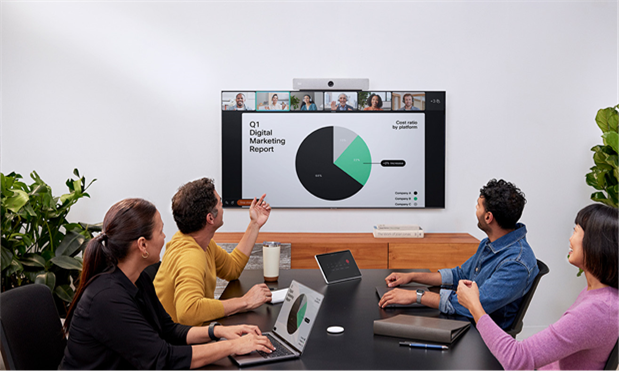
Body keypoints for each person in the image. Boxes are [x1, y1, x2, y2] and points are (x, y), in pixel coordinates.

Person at [60, 198, 274, 370]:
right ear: (142, 245)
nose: (165, 238)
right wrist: (232, 346)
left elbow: (168, 329)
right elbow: (162, 358)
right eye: (160, 231)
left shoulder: (138, 278)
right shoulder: (106, 298)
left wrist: (217, 332)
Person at [458, 204, 619, 371]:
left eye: (576, 231)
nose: (570, 239)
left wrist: (474, 306)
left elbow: (517, 360)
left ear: (595, 243)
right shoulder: (602, 296)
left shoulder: (596, 310)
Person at [379, 179, 539, 330]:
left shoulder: (516, 264)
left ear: (488, 217)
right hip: (465, 320)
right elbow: (459, 275)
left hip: (481, 336)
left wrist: (416, 295)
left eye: (478, 206)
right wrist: (412, 277)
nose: (475, 209)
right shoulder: (490, 243)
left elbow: (471, 305)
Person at [155, 178, 273, 326]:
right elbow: (188, 311)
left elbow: (233, 268)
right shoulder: (190, 255)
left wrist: (255, 224)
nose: (222, 206)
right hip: (178, 344)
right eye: (219, 202)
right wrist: (244, 302)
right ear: (210, 218)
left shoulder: (201, 243)